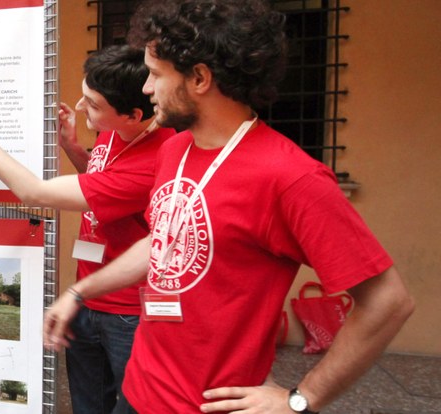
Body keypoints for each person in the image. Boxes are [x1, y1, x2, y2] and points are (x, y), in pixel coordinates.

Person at [42, 1, 415, 413]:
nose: (146, 89)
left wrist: (302, 399)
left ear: (200, 78)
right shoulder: (175, 150)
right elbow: (163, 241)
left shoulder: (291, 177)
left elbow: (387, 302)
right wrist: (80, 291)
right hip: (139, 390)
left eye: (156, 74)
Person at [0, 45, 175, 414]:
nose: (80, 107)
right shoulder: (116, 130)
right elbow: (102, 184)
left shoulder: (157, 158)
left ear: (134, 115)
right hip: (86, 294)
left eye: (92, 104)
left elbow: (35, 193)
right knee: (87, 404)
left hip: (127, 311)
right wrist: (73, 148)